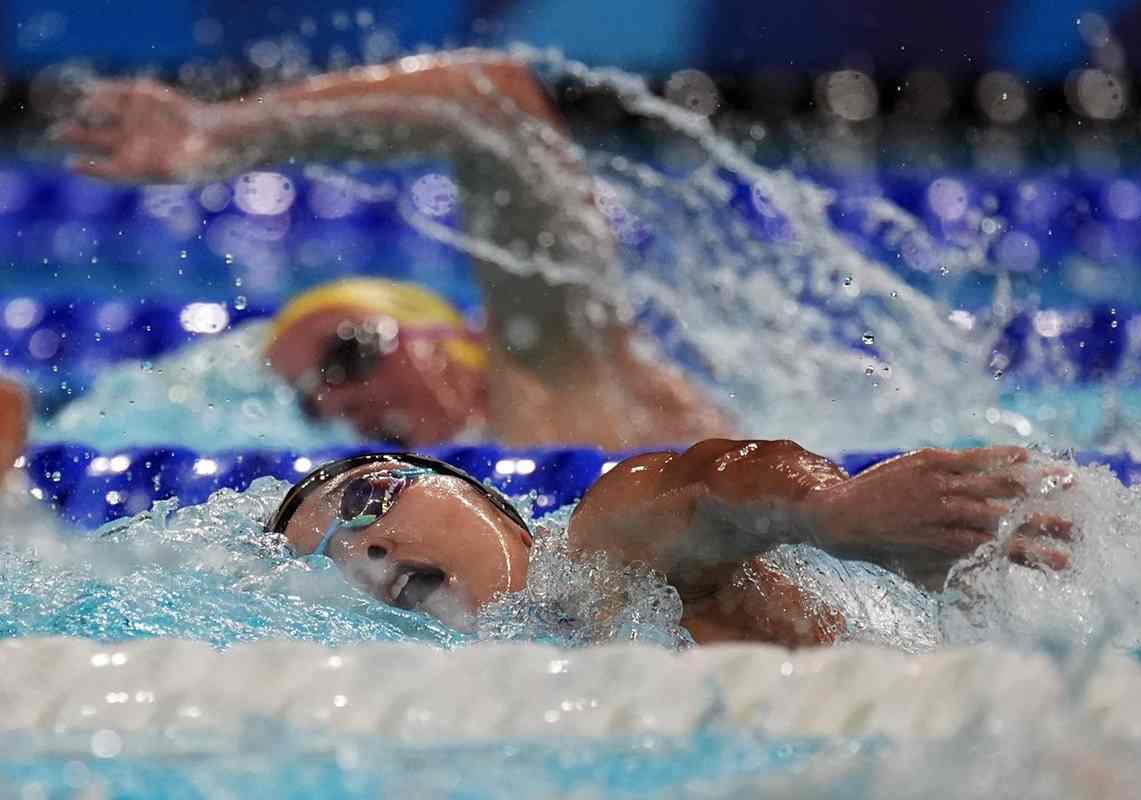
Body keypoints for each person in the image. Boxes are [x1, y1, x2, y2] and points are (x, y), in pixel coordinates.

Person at [54, 51, 729, 449]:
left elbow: (491, 100)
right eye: (312, 405)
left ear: (454, 331)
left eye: (349, 353)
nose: (342, 402)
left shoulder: (555, 364)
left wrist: (223, 135)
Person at [268, 441, 1071, 646]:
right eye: (330, 560)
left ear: (485, 496)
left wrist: (835, 511)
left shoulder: (596, 550)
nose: (365, 552)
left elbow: (713, 481)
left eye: (369, 502)